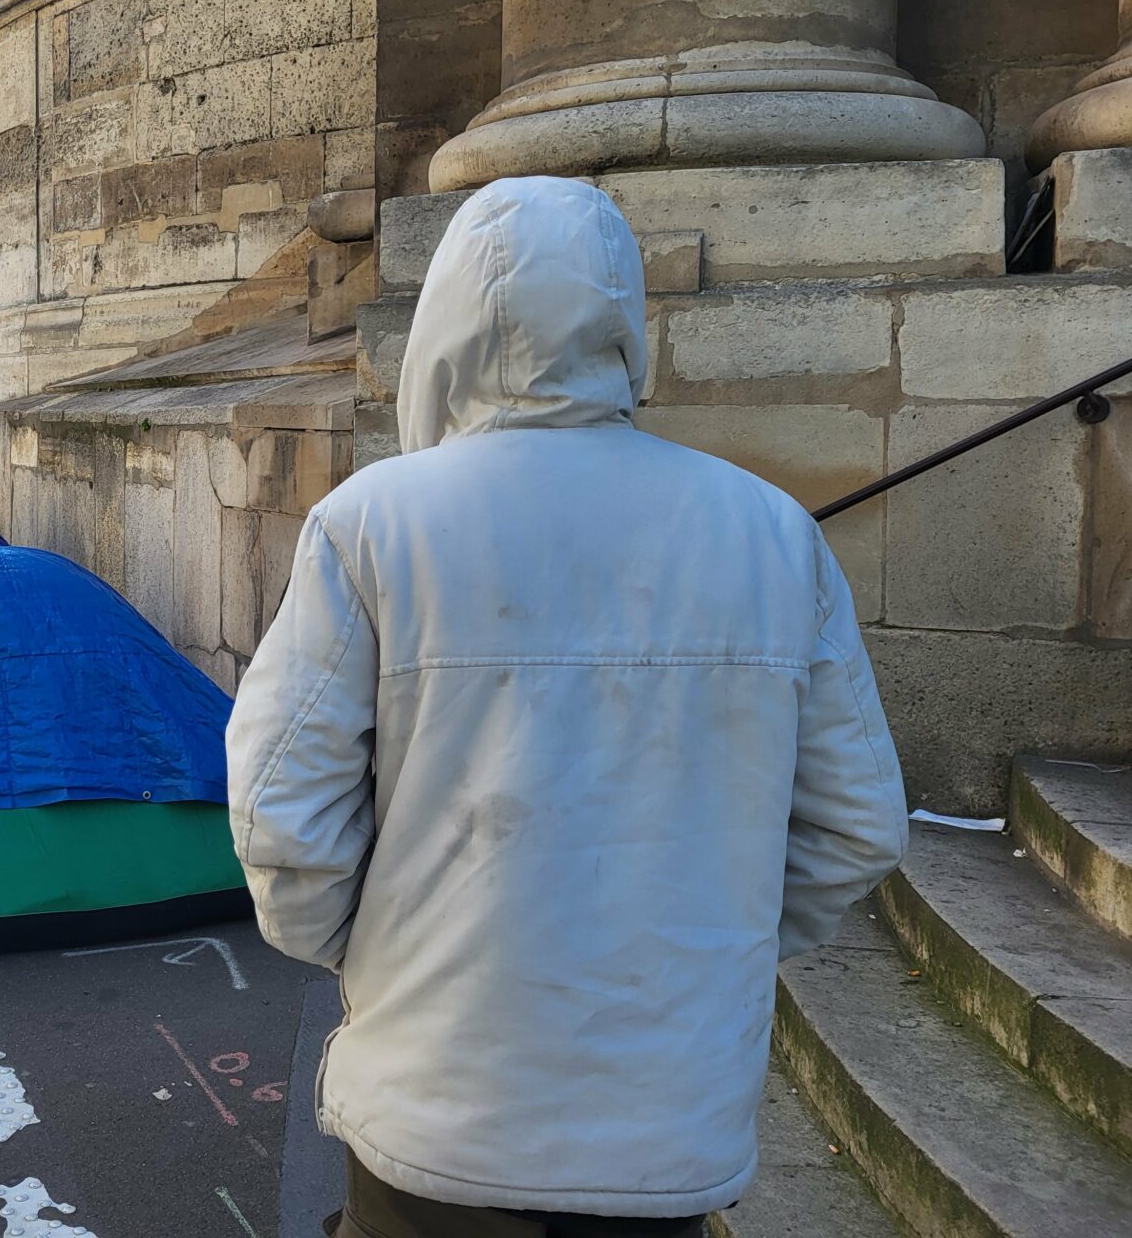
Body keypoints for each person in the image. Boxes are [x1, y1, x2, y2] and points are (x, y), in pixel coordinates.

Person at [226, 178, 907, 1238]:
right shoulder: (771, 533)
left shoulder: (373, 526)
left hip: (439, 1115)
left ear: (445, 325)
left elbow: (280, 811)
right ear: (622, 322)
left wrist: (377, 953)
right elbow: (857, 822)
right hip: (666, 1129)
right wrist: (706, 945)